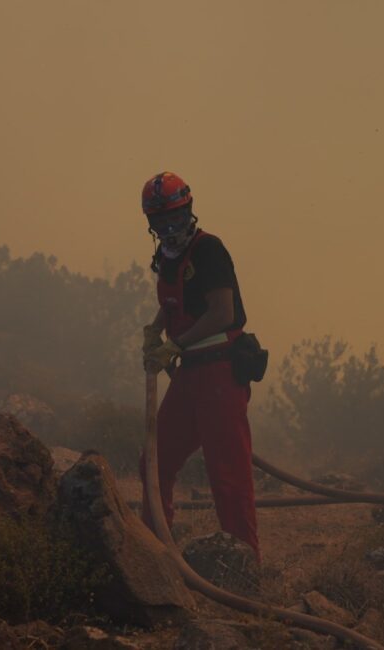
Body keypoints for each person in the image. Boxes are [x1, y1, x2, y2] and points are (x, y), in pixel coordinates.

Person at [139, 171, 259, 559]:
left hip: (220, 371)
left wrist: (174, 344)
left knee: (229, 476)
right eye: (161, 222)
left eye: (175, 218)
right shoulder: (166, 257)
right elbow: (175, 302)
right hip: (189, 374)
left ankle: (244, 568)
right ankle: (156, 553)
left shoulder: (209, 250)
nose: (169, 228)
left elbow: (221, 313)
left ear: (188, 210)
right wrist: (155, 329)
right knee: (155, 462)